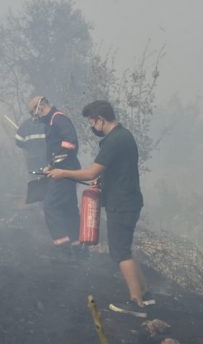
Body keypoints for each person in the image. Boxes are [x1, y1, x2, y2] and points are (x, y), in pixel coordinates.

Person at [46, 100, 153, 314]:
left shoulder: (113, 141)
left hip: (121, 203)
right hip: (129, 200)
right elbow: (114, 170)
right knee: (125, 249)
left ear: (100, 120)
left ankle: (136, 303)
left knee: (120, 252)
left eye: (92, 122)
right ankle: (144, 294)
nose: (92, 127)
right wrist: (101, 181)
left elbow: (91, 172)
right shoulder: (125, 135)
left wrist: (63, 173)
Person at [27, 96, 82, 259]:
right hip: (64, 170)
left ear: (42, 107)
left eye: (34, 112)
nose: (34, 116)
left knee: (50, 206)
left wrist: (52, 165)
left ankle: (64, 249)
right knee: (68, 208)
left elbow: (70, 144)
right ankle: (78, 248)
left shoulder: (59, 120)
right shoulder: (51, 122)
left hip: (64, 172)